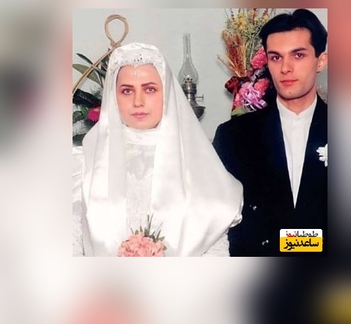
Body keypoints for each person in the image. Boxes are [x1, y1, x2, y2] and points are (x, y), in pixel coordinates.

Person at [73, 42, 243, 256]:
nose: (138, 101)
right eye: (127, 91)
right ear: (113, 96)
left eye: (150, 89)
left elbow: (215, 249)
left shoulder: (198, 162)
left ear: (167, 93)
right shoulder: (85, 161)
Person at [213, 9, 328, 256]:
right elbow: (222, 223)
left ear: (321, 61)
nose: (285, 67)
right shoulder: (234, 136)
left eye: (298, 55)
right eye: (275, 57)